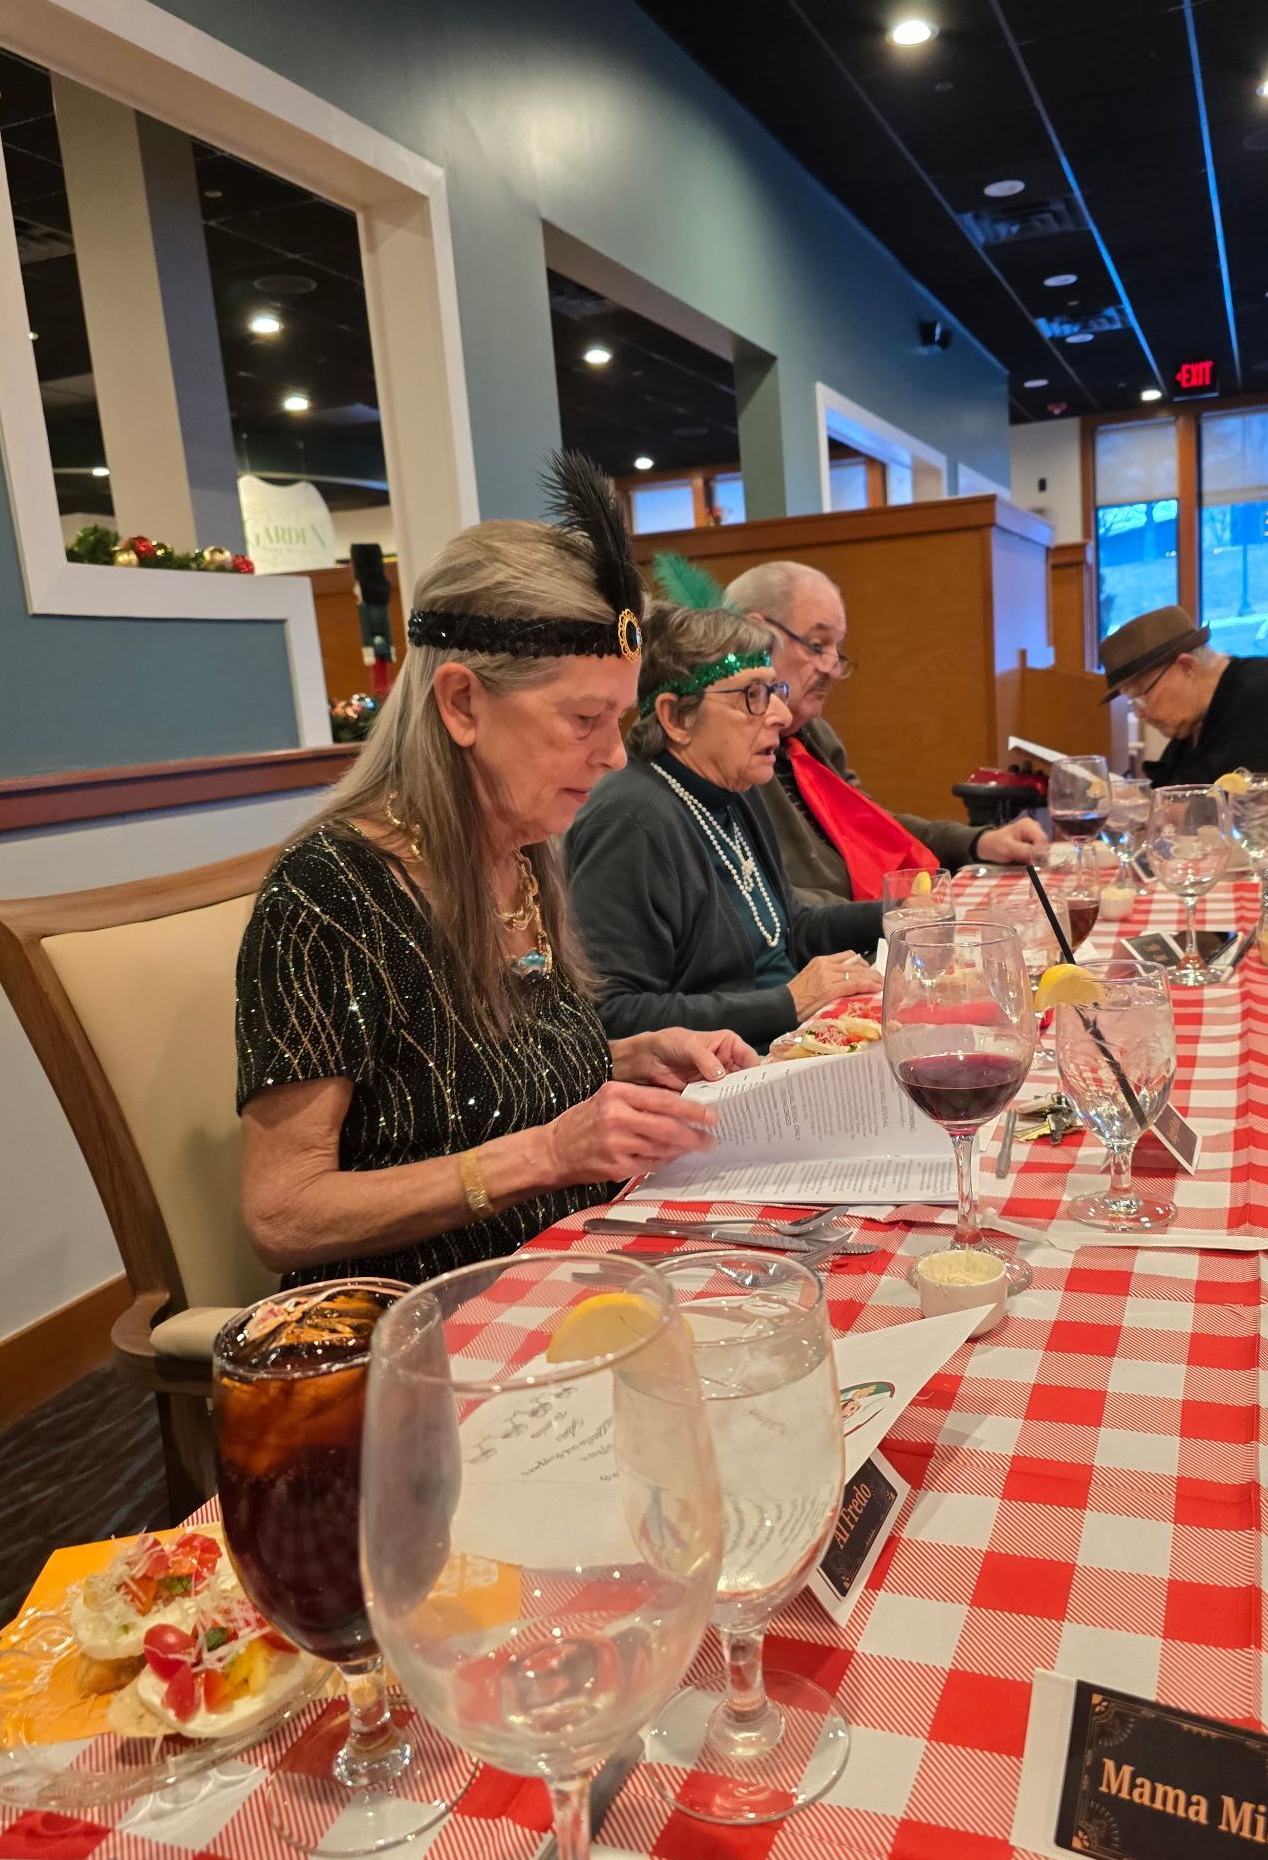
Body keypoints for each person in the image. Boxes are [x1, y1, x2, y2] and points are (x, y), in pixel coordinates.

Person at [235, 454, 753, 1288]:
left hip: (573, 1264)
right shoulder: (330, 894)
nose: (615, 755)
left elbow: (475, 1089)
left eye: (617, 717)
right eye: (582, 718)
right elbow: (282, 1215)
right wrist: (547, 1154)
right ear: (462, 703)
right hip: (430, 1311)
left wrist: (632, 1059)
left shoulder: (523, 846)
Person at [564, 597, 882, 1045]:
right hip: (724, 1072)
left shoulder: (733, 789)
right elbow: (612, 1014)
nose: (781, 715)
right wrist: (788, 1002)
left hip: (786, 1044)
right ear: (676, 717)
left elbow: (787, 929)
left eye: (774, 691)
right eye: (753, 696)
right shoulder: (631, 821)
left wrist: (898, 914)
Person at [722, 560, 1049, 906]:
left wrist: (979, 842)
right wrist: (887, 912)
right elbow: (755, 897)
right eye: (817, 645)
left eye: (837, 649)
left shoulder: (813, 735)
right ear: (756, 637)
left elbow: (874, 829)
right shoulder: (725, 751)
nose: (833, 669)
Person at [1098, 605, 1268, 832]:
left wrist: (1157, 811)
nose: (1139, 712)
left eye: (1142, 696)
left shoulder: (1265, 693)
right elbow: (1171, 796)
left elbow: (1267, 819)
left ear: (1186, 667)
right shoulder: (1194, 724)